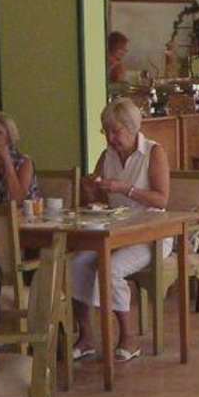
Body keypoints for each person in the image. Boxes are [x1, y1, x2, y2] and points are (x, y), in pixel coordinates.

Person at [71, 98, 170, 364]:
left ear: (132, 128)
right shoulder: (108, 156)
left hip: (152, 233)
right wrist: (90, 189)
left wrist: (125, 188)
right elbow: (99, 199)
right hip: (116, 232)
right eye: (106, 131)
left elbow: (162, 199)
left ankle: (128, 337)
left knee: (110, 267)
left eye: (116, 131)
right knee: (77, 264)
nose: (111, 138)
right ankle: (86, 337)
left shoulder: (153, 152)